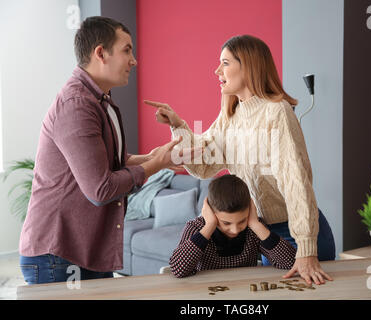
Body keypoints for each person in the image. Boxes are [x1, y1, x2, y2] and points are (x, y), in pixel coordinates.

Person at [146, 34, 335, 286]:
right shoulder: (231, 116)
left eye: (225, 63)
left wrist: (307, 248)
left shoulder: (276, 112)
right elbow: (203, 165)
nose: (217, 70)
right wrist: (179, 125)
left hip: (297, 233)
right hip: (265, 234)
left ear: (247, 66)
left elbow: (296, 183)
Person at [18, 17, 194, 284]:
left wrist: (151, 157)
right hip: (58, 257)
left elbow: (106, 160)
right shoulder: (77, 104)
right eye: (127, 50)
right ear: (100, 53)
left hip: (84, 252)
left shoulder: (97, 99)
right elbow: (100, 189)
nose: (134, 61)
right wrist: (156, 164)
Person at [170, 174, 296, 278]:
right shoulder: (196, 228)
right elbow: (178, 270)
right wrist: (210, 225)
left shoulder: (254, 228)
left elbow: (290, 263)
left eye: (242, 221)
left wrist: (255, 224)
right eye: (226, 223)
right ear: (210, 212)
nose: (235, 230)